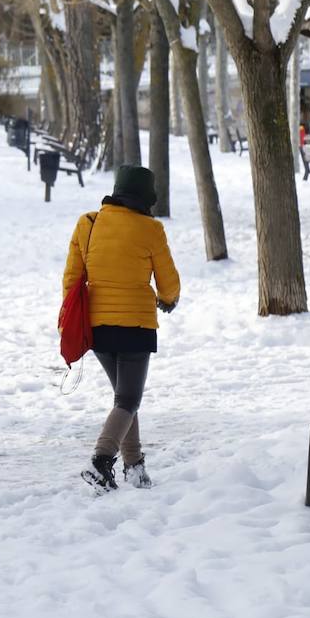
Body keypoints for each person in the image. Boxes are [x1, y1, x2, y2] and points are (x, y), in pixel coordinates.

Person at [62, 165, 180, 492]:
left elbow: (72, 278)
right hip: (136, 326)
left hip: (98, 327)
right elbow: (168, 282)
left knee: (123, 399)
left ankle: (135, 468)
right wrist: (169, 300)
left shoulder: (88, 223)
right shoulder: (150, 229)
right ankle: (101, 461)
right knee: (128, 399)